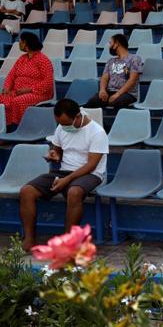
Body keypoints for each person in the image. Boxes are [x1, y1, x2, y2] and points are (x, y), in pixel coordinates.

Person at [19, 99, 108, 251]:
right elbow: (58, 148)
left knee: (74, 192)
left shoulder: (97, 132)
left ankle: (68, 243)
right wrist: (54, 154)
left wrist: (66, 180)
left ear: (78, 117)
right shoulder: (62, 127)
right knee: (26, 191)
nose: (64, 127)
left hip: (91, 174)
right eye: (61, 124)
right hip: (63, 171)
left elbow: (91, 165)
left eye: (67, 124)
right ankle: (29, 240)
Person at [0, 32, 53, 126]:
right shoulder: (22, 59)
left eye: (20, 41)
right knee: (2, 98)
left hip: (38, 93)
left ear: (26, 43)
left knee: (18, 101)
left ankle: (17, 128)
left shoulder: (43, 60)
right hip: (17, 91)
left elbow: (48, 82)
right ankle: (4, 128)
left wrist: (29, 89)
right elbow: (11, 75)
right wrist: (7, 87)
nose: (19, 43)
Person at [85, 34, 142, 110]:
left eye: (110, 43)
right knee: (93, 101)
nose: (109, 46)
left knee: (117, 101)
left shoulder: (135, 59)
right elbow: (104, 78)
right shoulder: (110, 61)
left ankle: (120, 121)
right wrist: (102, 90)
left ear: (117, 44)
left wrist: (117, 94)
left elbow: (132, 80)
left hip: (127, 93)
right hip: (110, 91)